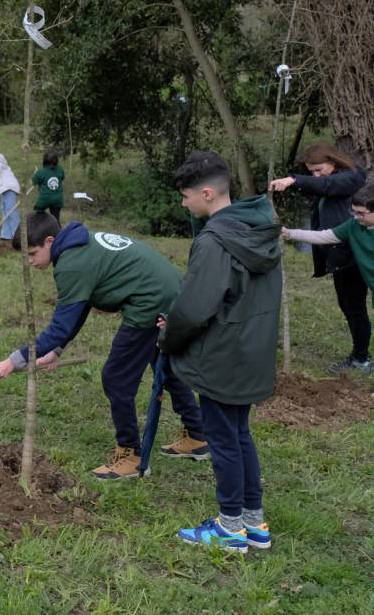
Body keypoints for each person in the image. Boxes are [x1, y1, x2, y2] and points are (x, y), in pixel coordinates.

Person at [0, 210, 207, 480]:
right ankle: (197, 435)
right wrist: (56, 350)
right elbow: (80, 306)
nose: (30, 261)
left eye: (32, 253)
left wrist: (12, 362)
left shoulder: (71, 264)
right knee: (166, 367)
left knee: (116, 378)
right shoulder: (78, 244)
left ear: (50, 241)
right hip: (170, 291)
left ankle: (130, 455)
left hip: (151, 302)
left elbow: (59, 327)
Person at [160, 152, 282, 553]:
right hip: (252, 351)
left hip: (221, 356)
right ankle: (253, 522)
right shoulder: (258, 229)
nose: (183, 203)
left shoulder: (215, 243)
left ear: (207, 193)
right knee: (239, 434)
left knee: (224, 440)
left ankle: (229, 529)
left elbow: (195, 308)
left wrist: (168, 339)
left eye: (186, 196)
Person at [270, 143, 370, 374]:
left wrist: (295, 180)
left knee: (355, 307)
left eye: (318, 169)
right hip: (338, 253)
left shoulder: (352, 177)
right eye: (311, 172)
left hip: (352, 256)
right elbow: (321, 187)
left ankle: (361, 359)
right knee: (346, 304)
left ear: (333, 162)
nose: (316, 175)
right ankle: (360, 353)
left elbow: (326, 185)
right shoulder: (332, 180)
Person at [283, 183, 374, 376]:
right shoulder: (354, 226)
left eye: (361, 213)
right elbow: (325, 236)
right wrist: (290, 233)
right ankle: (361, 360)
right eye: (354, 212)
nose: (356, 217)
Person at [32, 148, 65, 222]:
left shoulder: (41, 172)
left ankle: (36, 230)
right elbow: (62, 178)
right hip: (57, 199)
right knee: (56, 220)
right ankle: (57, 232)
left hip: (44, 199)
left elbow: (32, 182)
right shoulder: (60, 169)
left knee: (34, 216)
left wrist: (36, 173)